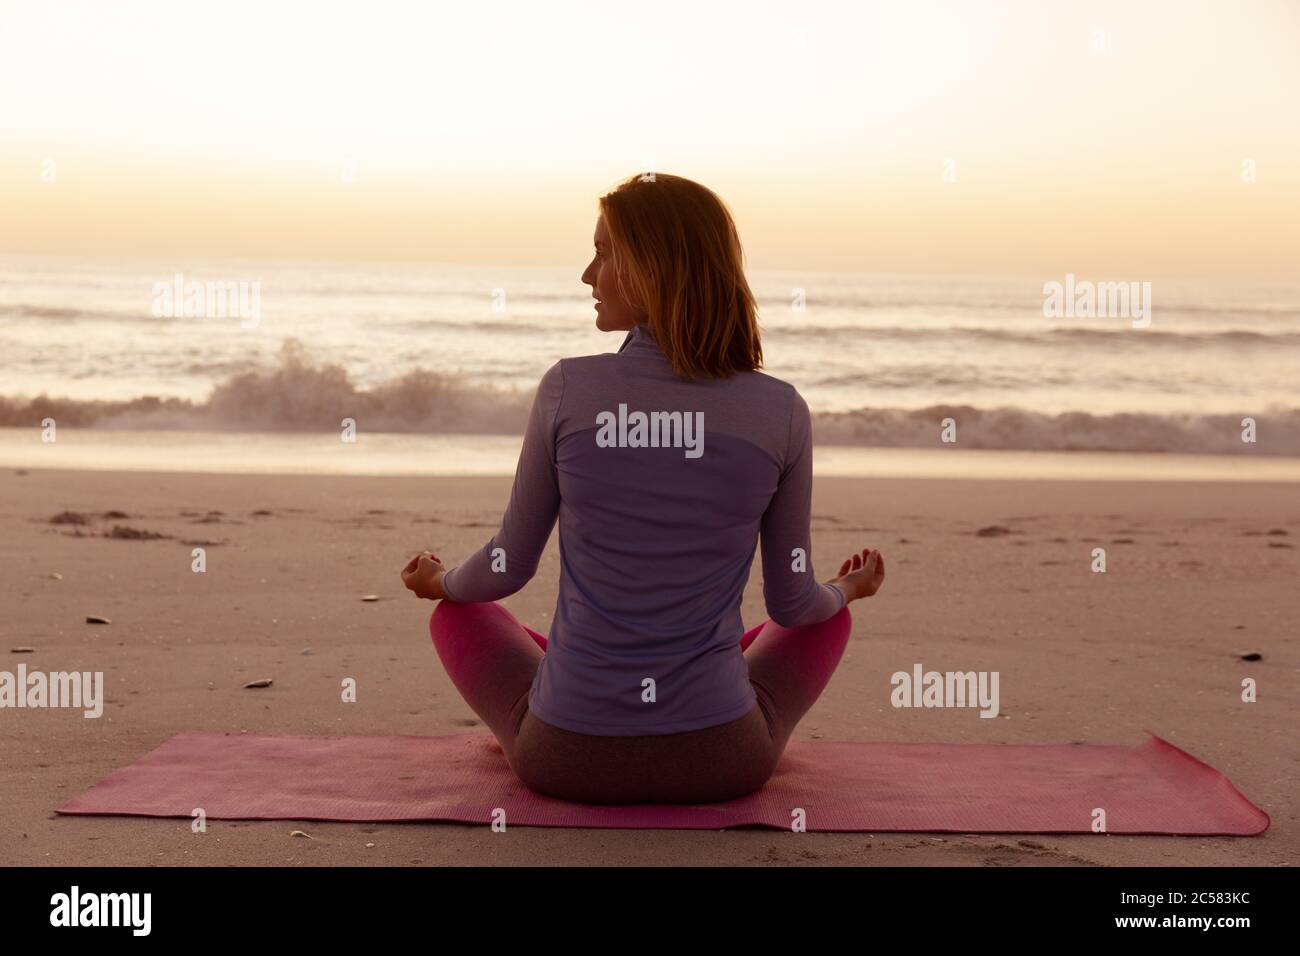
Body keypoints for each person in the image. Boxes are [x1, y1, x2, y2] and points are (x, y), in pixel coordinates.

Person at [402, 173, 885, 805]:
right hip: (724, 763)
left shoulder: (568, 390)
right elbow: (793, 605)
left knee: (461, 614)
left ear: (651, 267)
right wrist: (848, 589)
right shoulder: (782, 410)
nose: (586, 274)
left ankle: (574, 663)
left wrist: (441, 583)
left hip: (565, 760)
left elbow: (503, 568)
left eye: (603, 252)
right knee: (826, 620)